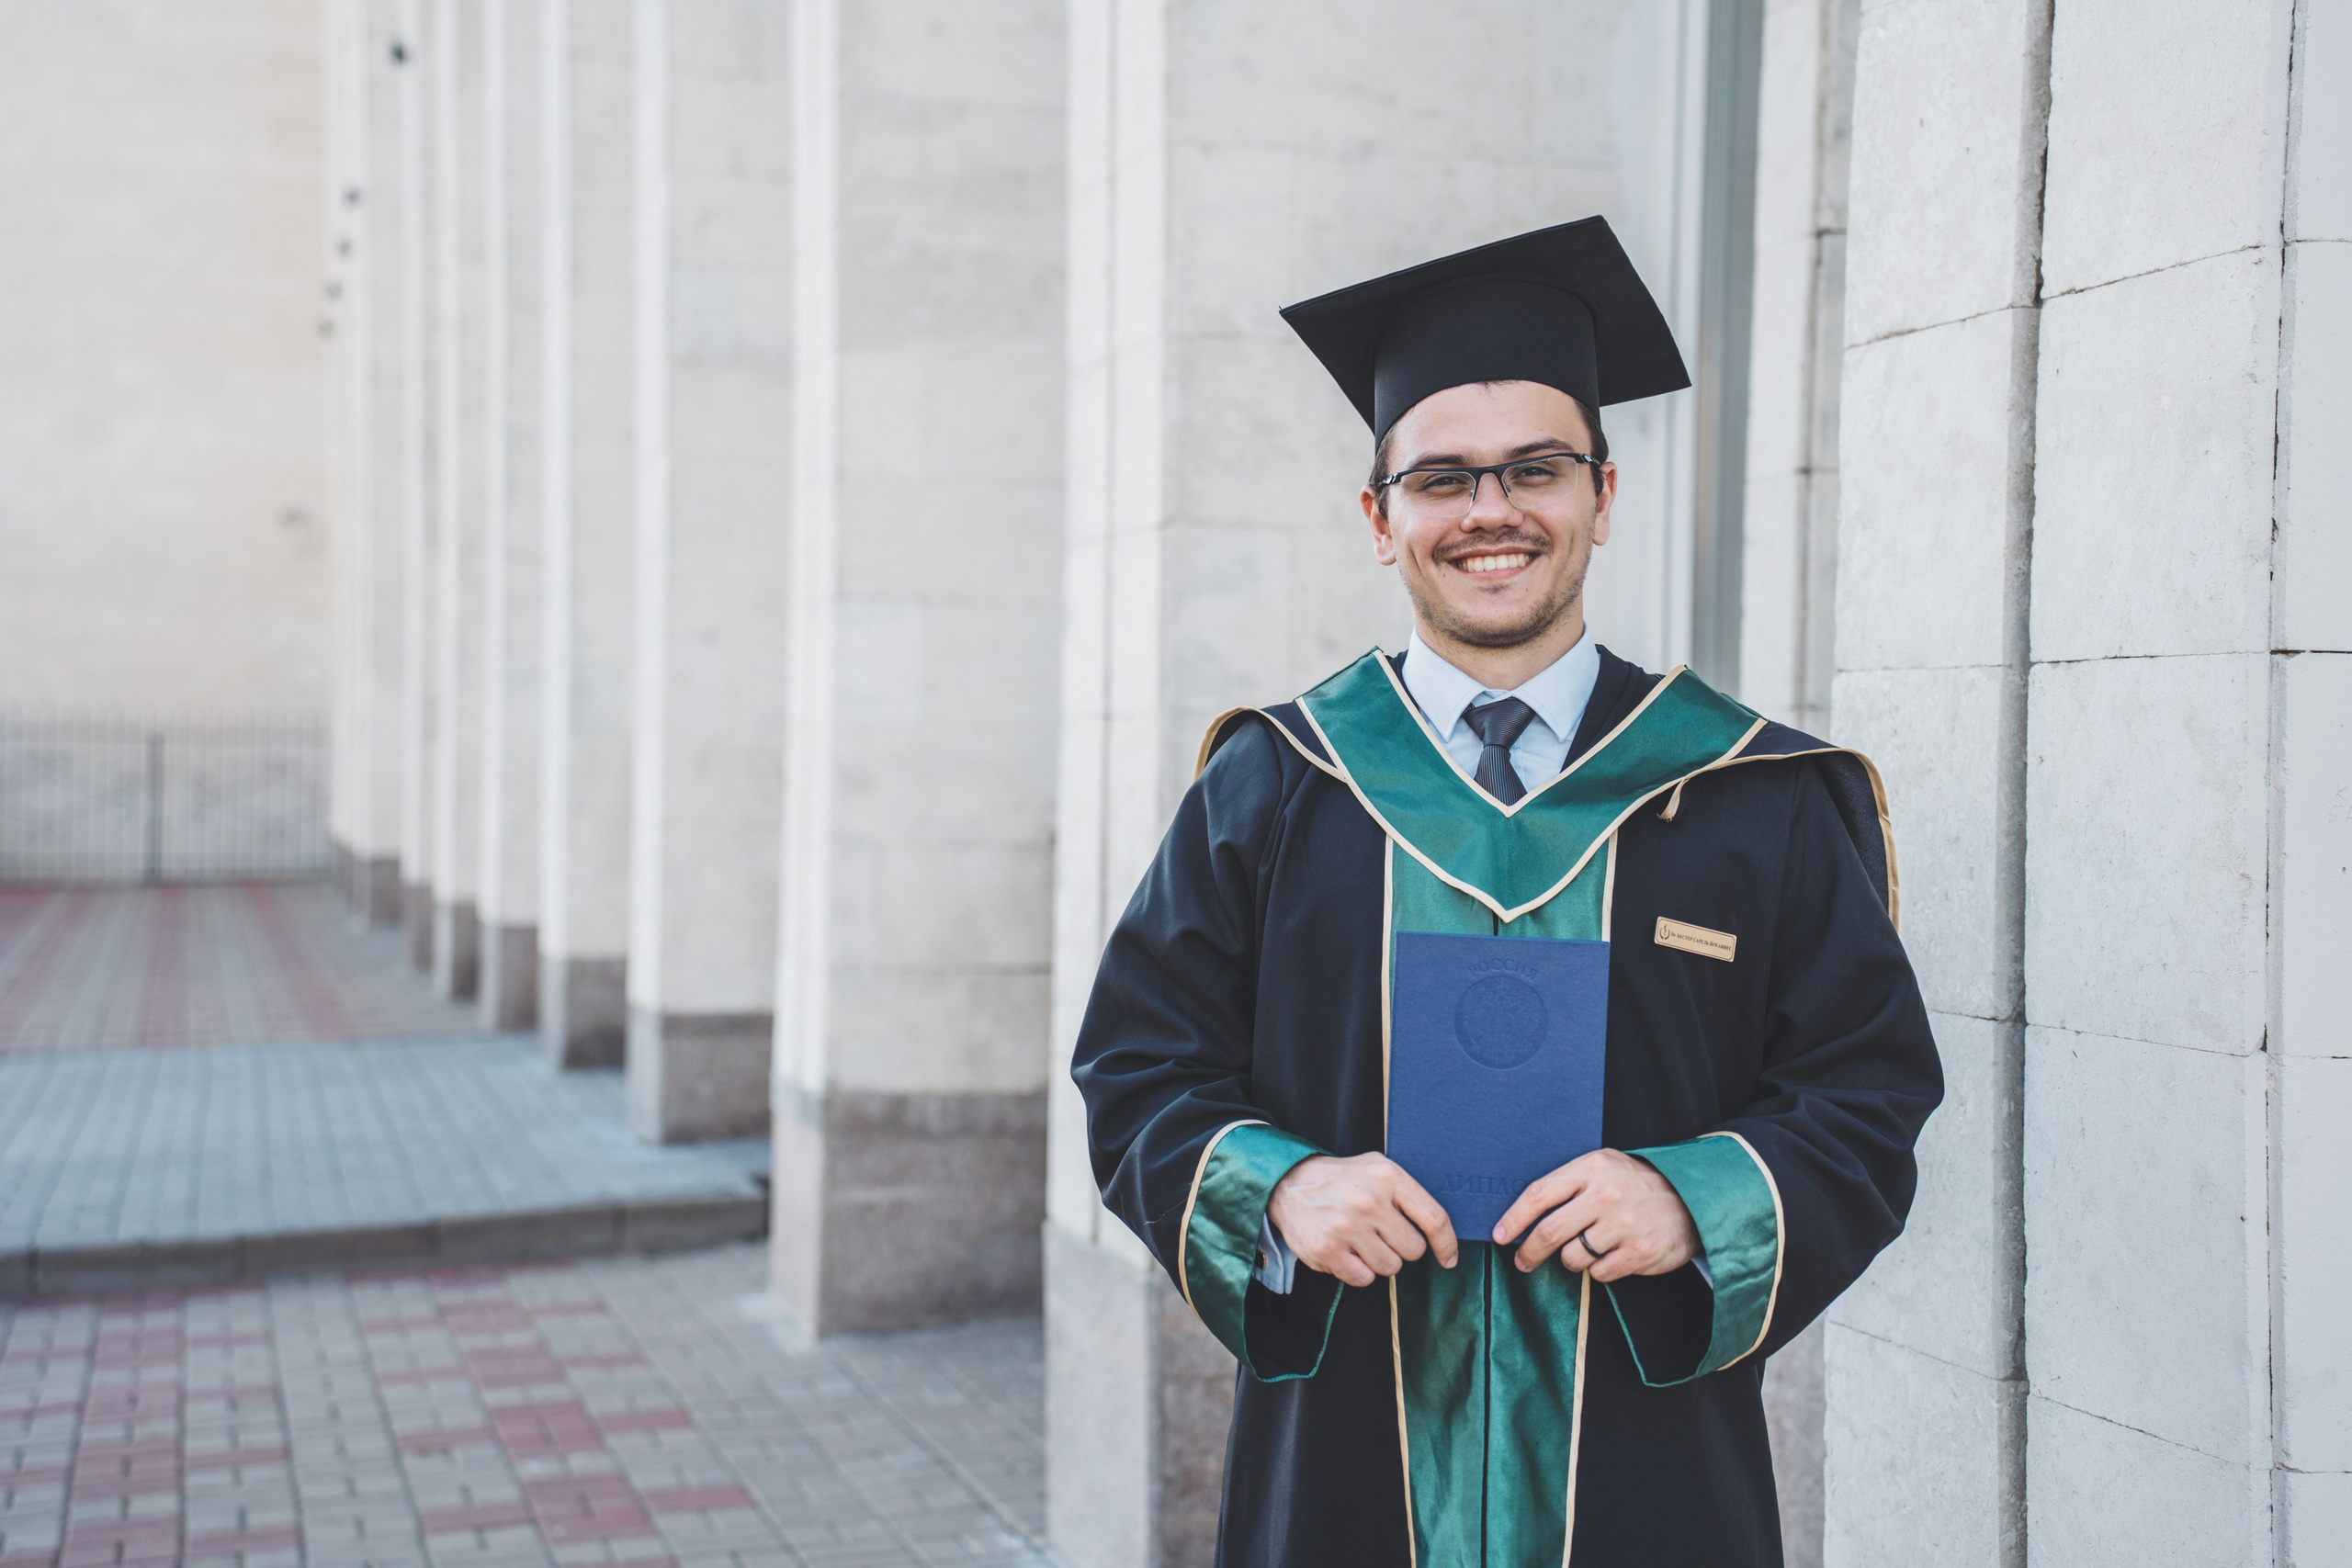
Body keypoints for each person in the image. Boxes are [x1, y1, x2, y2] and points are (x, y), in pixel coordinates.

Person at [1070, 217, 1943, 1568]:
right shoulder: (1277, 785)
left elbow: (1866, 1092)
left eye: (1536, 468)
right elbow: (1139, 1067)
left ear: (1603, 495)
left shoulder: (1747, 795)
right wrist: (1282, 1188)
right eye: (1441, 480)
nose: (1491, 512)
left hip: (1650, 1475)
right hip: (1346, 1461)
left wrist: (1698, 1197)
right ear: (1381, 520)